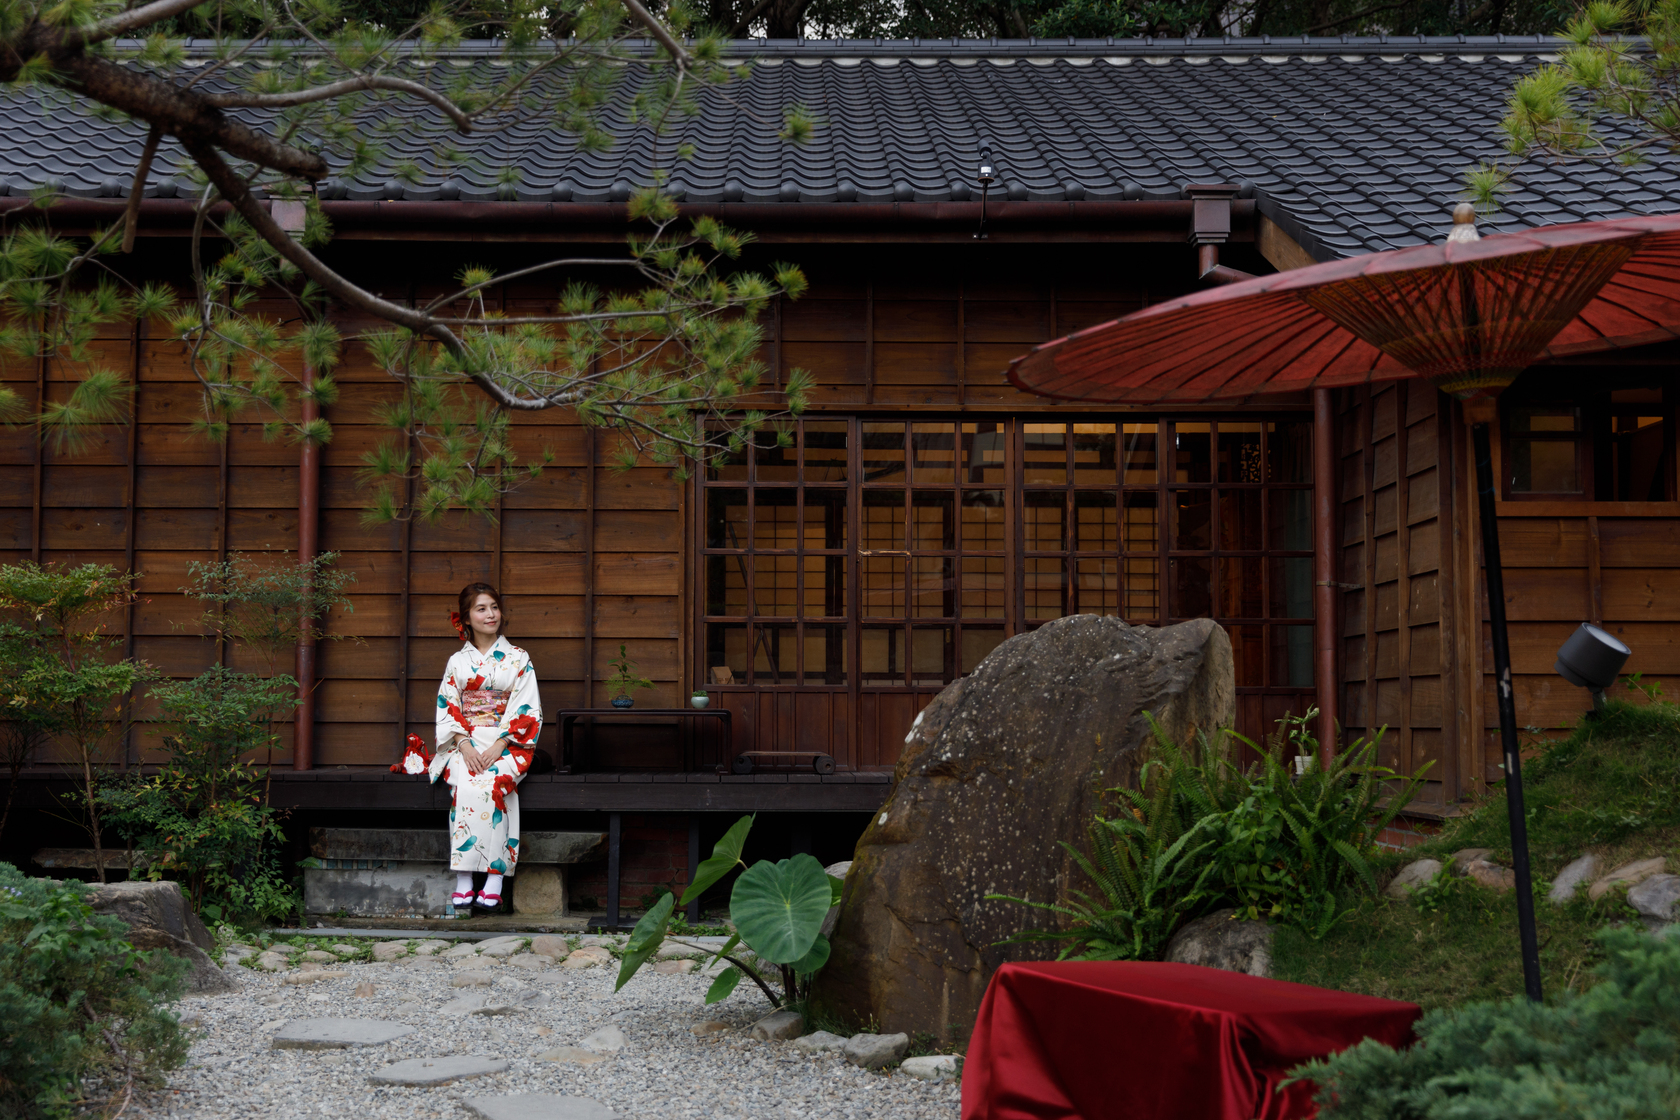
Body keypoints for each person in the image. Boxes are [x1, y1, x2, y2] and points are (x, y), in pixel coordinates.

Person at [430, 583, 543, 913]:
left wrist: (501, 743)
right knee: (464, 784)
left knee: (495, 785)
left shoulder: (518, 657)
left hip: (508, 742)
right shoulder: (457, 661)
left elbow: (527, 706)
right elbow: (448, 706)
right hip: (463, 742)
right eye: (481, 609)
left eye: (494, 607)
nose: (491, 614)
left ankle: (494, 877)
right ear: (466, 618)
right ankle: (464, 876)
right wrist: (463, 745)